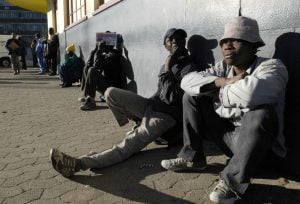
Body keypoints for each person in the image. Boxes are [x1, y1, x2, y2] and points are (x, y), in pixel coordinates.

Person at [160, 16, 289, 204]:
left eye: (235, 40)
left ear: (253, 45)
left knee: (261, 114)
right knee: (191, 96)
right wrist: (222, 82)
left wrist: (216, 93)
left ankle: (233, 182)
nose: (227, 46)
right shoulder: (222, 69)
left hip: (260, 150)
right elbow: (187, 82)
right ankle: (193, 158)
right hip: (231, 141)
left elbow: (251, 93)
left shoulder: (272, 66)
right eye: (224, 42)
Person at [50, 28, 193, 177]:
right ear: (166, 46)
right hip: (152, 107)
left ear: (184, 43)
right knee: (110, 93)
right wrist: (145, 106)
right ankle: (138, 122)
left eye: (180, 39)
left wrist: (169, 65)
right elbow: (160, 93)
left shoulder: (188, 66)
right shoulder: (165, 65)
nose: (176, 42)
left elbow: (171, 98)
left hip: (166, 116)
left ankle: (79, 164)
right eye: (171, 40)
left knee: (128, 145)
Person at [79, 37, 123, 110]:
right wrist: (95, 50)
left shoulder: (114, 54)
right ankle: (87, 97)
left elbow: (96, 66)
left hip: (112, 89)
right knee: (87, 68)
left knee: (92, 70)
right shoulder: (106, 53)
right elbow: (89, 65)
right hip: (106, 85)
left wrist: (99, 50)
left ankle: (90, 102)